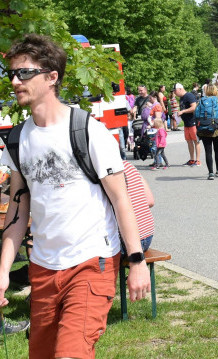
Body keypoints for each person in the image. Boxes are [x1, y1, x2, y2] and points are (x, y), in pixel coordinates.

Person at [0, 33, 150, 358]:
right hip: (43, 268)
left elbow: (122, 200)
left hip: (91, 263)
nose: (14, 81)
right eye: (11, 73)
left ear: (52, 77)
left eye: (24, 72)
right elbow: (17, 214)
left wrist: (137, 261)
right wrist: (2, 274)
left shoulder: (88, 131)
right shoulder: (17, 140)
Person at [122, 160, 155, 252]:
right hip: (147, 235)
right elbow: (150, 201)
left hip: (127, 242)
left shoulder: (100, 172)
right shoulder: (128, 165)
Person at [198, 84, 218, 180]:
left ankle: (210, 173)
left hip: (204, 129)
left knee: (208, 151)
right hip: (216, 129)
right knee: (217, 150)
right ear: (215, 91)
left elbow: (197, 115)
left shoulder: (201, 101)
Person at [174, 83, 201, 167]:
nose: (174, 93)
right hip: (186, 123)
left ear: (180, 89)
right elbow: (183, 109)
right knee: (189, 141)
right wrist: (177, 114)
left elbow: (194, 107)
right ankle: (192, 159)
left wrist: (183, 111)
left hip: (193, 122)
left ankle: (198, 160)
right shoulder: (181, 98)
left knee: (196, 141)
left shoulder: (189, 95)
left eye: (175, 90)